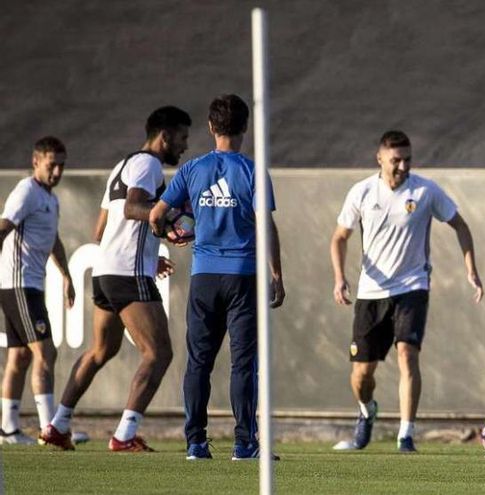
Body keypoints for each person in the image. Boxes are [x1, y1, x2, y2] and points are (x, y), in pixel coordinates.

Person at [40, 106, 191, 452]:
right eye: (181, 138)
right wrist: (166, 227)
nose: (184, 146)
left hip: (108, 269)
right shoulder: (149, 165)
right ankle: (124, 434)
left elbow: (101, 228)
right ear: (164, 136)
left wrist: (147, 257)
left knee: (101, 350)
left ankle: (58, 425)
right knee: (159, 353)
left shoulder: (122, 166)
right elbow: (133, 208)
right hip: (126, 272)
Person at [149, 94, 285, 461]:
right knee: (244, 363)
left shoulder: (193, 170)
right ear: (244, 128)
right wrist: (277, 275)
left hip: (204, 277)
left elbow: (156, 215)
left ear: (211, 127)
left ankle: (195, 442)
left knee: (199, 362)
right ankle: (244, 444)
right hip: (243, 277)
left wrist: (170, 236)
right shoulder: (254, 171)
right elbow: (265, 225)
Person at [330, 130, 483, 453]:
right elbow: (339, 237)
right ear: (380, 159)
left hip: (413, 286)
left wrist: (471, 269)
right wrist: (340, 278)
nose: (402, 166)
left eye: (408, 159)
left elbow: (461, 225)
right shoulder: (362, 192)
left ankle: (406, 434)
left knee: (407, 354)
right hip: (371, 292)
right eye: (396, 160)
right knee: (361, 375)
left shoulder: (425, 191)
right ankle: (366, 410)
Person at [0, 137, 75, 445]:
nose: (56, 171)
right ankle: (50, 429)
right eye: (51, 164)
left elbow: (52, 239)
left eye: (61, 165)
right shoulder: (26, 192)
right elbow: (4, 227)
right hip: (19, 284)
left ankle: (8, 429)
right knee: (46, 352)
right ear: (36, 162)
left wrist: (67, 275)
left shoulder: (49, 198)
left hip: (30, 284)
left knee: (19, 357)